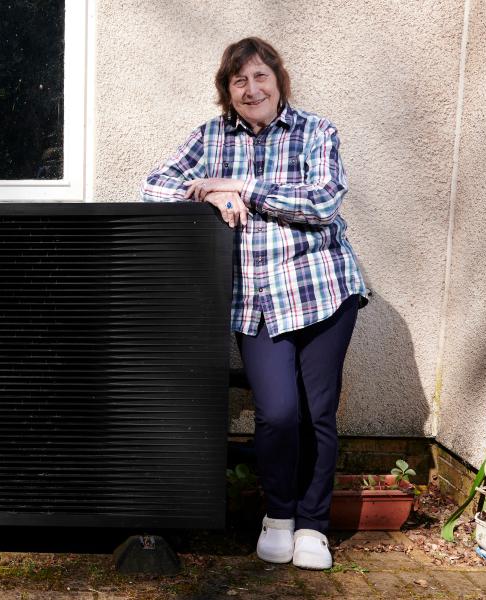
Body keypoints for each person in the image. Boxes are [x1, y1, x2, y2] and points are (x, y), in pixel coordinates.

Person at [141, 37, 367, 570]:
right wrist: (209, 194)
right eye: (239, 81)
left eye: (260, 76)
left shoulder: (317, 131)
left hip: (322, 292)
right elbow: (154, 186)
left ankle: (313, 526)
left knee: (317, 415)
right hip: (257, 301)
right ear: (228, 91)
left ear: (278, 81)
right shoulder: (211, 135)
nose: (251, 88)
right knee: (278, 414)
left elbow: (323, 200)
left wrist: (242, 185)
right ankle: (279, 516)